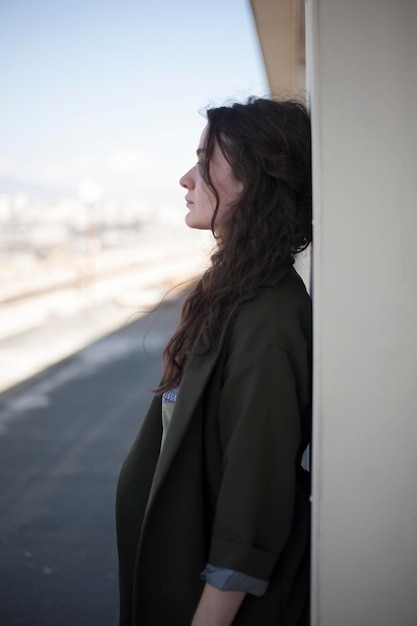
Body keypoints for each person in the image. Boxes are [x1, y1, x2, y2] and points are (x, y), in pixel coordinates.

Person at [116, 96, 312, 626]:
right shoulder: (236, 292)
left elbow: (253, 496)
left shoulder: (268, 317)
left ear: (251, 182)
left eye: (204, 164)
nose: (186, 178)